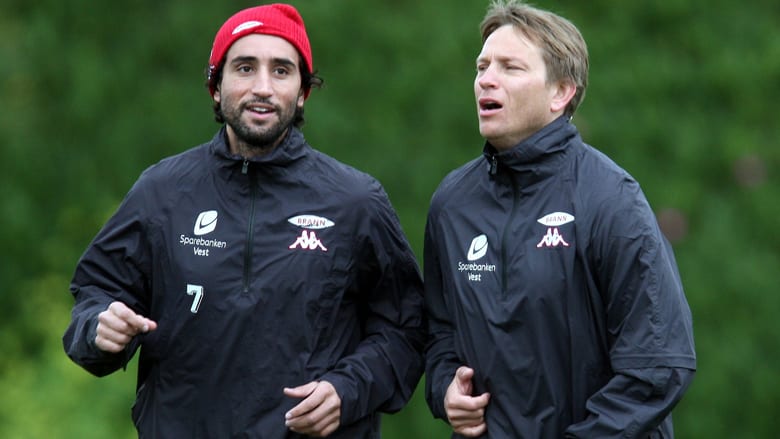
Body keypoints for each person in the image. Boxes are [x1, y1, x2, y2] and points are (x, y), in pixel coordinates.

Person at [63, 4, 425, 438]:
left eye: (281, 71)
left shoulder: (355, 202)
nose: (263, 88)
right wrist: (99, 326)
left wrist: (347, 391)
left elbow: (407, 330)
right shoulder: (162, 191)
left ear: (304, 92)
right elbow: (96, 295)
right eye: (245, 68)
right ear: (215, 86)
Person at [423, 1, 697, 437]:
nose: (486, 79)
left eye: (510, 67)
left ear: (561, 93)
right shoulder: (452, 204)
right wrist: (444, 388)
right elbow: (440, 330)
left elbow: (658, 364)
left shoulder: (612, 199)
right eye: (482, 66)